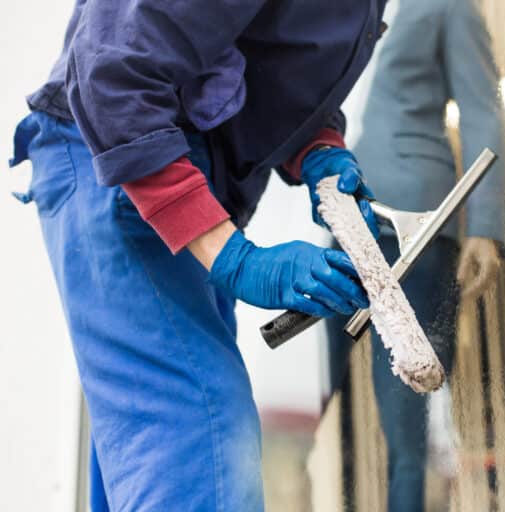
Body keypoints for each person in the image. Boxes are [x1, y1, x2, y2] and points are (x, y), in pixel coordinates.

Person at [8, 1, 389, 510]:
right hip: (127, 164)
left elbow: (261, 64)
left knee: (169, 446)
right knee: (202, 439)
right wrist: (236, 259)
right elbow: (115, 77)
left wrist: (318, 148)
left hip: (174, 171)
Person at [325, 0, 505, 510]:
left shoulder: (448, 6)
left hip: (414, 220)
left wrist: (487, 225)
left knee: (409, 416)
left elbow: (482, 106)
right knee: (313, 401)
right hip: (341, 220)